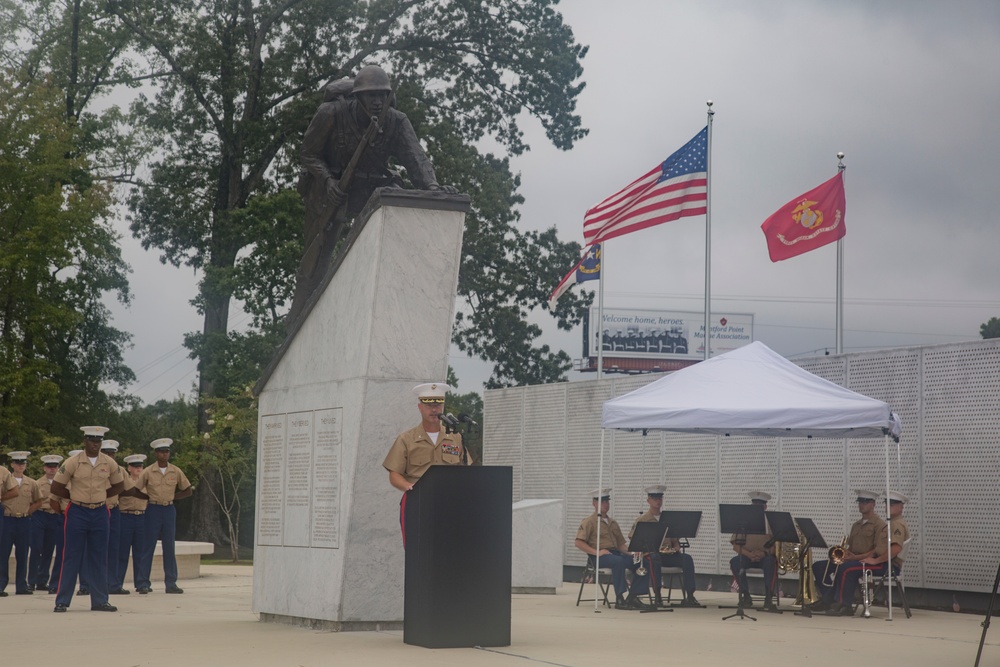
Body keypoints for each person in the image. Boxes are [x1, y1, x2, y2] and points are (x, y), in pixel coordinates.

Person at [288, 64, 458, 323]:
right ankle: (297, 318)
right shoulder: (331, 113)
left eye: (382, 95)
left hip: (369, 186)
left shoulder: (397, 121)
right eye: (371, 95)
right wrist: (326, 180)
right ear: (358, 96)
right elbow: (308, 153)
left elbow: (416, 159)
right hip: (330, 189)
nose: (378, 102)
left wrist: (433, 188)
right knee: (318, 254)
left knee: (396, 209)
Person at [383, 382, 471, 546]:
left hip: (450, 502)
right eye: (429, 404)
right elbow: (394, 474)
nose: (434, 409)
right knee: (418, 551)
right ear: (420, 407)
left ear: (443, 406)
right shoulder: (406, 439)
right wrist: (410, 487)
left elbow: (466, 469)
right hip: (419, 503)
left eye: (437, 404)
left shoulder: (455, 437)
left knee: (451, 550)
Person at [50, 427, 125, 612]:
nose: (95, 444)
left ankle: (100, 600)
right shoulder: (73, 462)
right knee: (71, 556)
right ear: (85, 441)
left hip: (100, 512)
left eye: (98, 441)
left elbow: (119, 485)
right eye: (92, 440)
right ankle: (62, 601)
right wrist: (74, 494)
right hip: (77, 511)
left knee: (99, 557)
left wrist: (102, 495)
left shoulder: (109, 463)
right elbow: (56, 487)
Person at [810, 490, 886, 616]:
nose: (862, 505)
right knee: (819, 567)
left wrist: (855, 557)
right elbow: (852, 546)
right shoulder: (856, 525)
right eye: (860, 502)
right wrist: (846, 554)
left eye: (866, 502)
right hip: (853, 558)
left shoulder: (880, 525)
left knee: (845, 569)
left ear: (873, 504)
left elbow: (876, 551)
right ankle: (828, 599)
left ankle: (844, 604)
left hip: (865, 560)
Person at [133, 438, 194, 594]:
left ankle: (171, 582)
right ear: (156, 453)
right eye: (162, 451)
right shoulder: (148, 471)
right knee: (148, 546)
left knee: (169, 546)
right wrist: (147, 498)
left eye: (167, 451)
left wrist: (174, 498)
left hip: (168, 509)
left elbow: (188, 490)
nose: (165, 454)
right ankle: (142, 583)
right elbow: (136, 490)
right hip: (153, 509)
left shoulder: (175, 471)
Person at [575, 488, 651, 610]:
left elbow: (621, 545)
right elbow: (578, 542)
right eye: (601, 501)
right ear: (594, 503)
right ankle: (619, 599)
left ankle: (633, 597)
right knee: (618, 562)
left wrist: (633, 553)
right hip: (598, 556)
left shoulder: (613, 523)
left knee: (642, 562)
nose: (605, 504)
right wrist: (597, 552)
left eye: (607, 501)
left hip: (615, 554)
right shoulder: (589, 522)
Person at [628, 484, 699, 607]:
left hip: (667, 554)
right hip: (651, 554)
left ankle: (690, 595)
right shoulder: (642, 520)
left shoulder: (667, 519)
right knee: (654, 559)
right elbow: (634, 538)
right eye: (654, 498)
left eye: (660, 498)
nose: (657, 501)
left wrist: (676, 545)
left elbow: (674, 538)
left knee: (687, 559)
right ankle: (658, 595)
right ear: (648, 501)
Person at [840, 491, 911, 612]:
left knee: (848, 569)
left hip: (888, 565)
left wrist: (875, 560)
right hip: (882, 562)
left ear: (901, 507)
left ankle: (844, 605)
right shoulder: (891, 524)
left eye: (892, 504)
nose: (888, 507)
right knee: (844, 566)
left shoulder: (896, 525)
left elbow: (896, 549)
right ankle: (837, 602)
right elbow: (880, 548)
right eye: (887, 503)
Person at [0, 451, 43, 596]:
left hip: (24, 520)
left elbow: (39, 501)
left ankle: (21, 585)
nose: (20, 466)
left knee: (23, 554)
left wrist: (28, 511)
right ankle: (1, 584)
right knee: (3, 553)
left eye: (23, 463)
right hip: (7, 518)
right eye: (17, 463)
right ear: (12, 465)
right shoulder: (6, 480)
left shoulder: (31, 483)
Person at [730, 490, 778, 610]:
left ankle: (768, 597)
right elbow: (736, 545)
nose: (756, 508)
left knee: (771, 562)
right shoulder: (743, 521)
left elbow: (778, 547)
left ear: (765, 507)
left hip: (765, 556)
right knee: (735, 562)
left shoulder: (771, 522)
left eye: (759, 506)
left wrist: (764, 553)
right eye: (754, 506)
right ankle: (745, 595)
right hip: (747, 556)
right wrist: (749, 554)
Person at [28, 454, 64, 593]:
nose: (52, 469)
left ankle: (42, 580)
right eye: (49, 467)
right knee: (36, 549)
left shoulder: (61, 484)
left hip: (55, 516)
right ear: (44, 468)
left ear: (58, 468)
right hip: (40, 515)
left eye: (54, 467)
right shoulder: (37, 483)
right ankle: (31, 581)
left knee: (49, 550)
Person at [114, 454, 148, 594]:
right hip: (125, 516)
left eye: (140, 466)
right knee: (122, 553)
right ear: (129, 468)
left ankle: (141, 584)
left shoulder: (146, 482)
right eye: (135, 466)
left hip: (141, 517)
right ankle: (117, 583)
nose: (138, 469)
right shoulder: (124, 481)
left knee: (140, 553)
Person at [100, 440, 126, 595]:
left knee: (114, 548)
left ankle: (114, 584)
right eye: (107, 453)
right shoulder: (96, 468)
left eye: (112, 453)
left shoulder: (120, 470)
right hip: (99, 509)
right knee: (98, 548)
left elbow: (128, 489)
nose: (110, 456)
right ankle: (93, 583)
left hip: (114, 510)